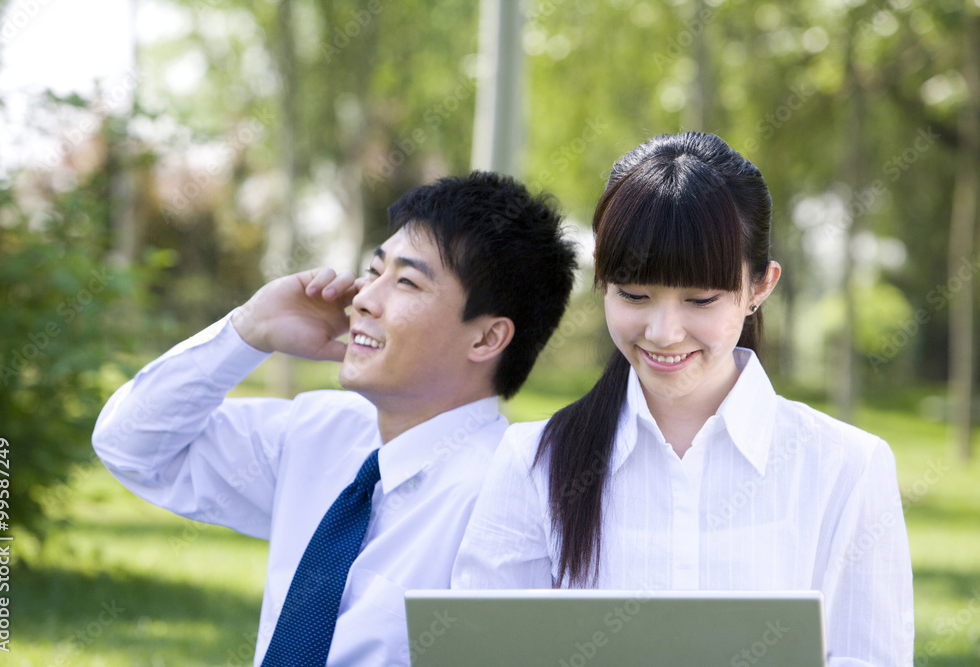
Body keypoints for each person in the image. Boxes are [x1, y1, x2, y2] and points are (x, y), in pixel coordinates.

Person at [452, 133, 914, 665]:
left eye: (699, 299)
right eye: (634, 295)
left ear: (761, 286)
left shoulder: (847, 468)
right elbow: (482, 653)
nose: (664, 332)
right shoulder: (536, 461)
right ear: (602, 279)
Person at [92, 171, 578, 666]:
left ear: (486, 339)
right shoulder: (319, 432)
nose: (364, 298)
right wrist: (248, 331)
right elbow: (131, 447)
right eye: (374, 270)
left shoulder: (509, 498)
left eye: (407, 282)